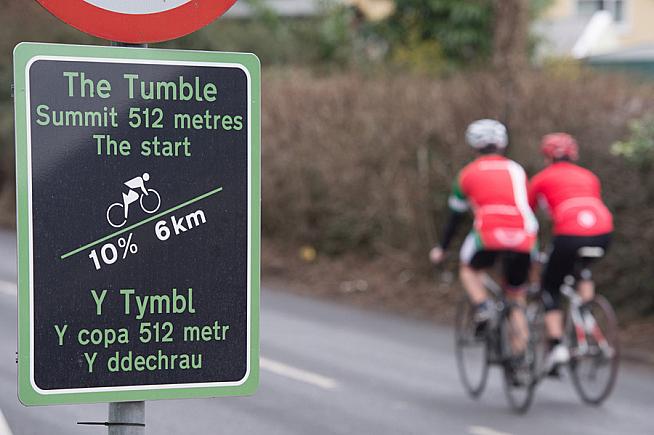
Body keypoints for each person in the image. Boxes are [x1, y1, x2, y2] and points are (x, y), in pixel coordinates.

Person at [430, 119, 538, 361]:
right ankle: (521, 357)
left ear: (474, 146)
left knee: (468, 268)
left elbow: (455, 218)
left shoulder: (467, 174)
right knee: (516, 294)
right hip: (524, 233)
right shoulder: (516, 169)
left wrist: (442, 249)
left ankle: (483, 306)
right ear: (502, 144)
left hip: (488, 232)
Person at [528, 133, 613, 375]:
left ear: (546, 156)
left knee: (550, 286)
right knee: (581, 269)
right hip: (603, 231)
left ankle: (556, 347)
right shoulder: (589, 176)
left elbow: (529, 215)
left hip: (568, 233)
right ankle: (586, 316)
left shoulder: (540, 179)